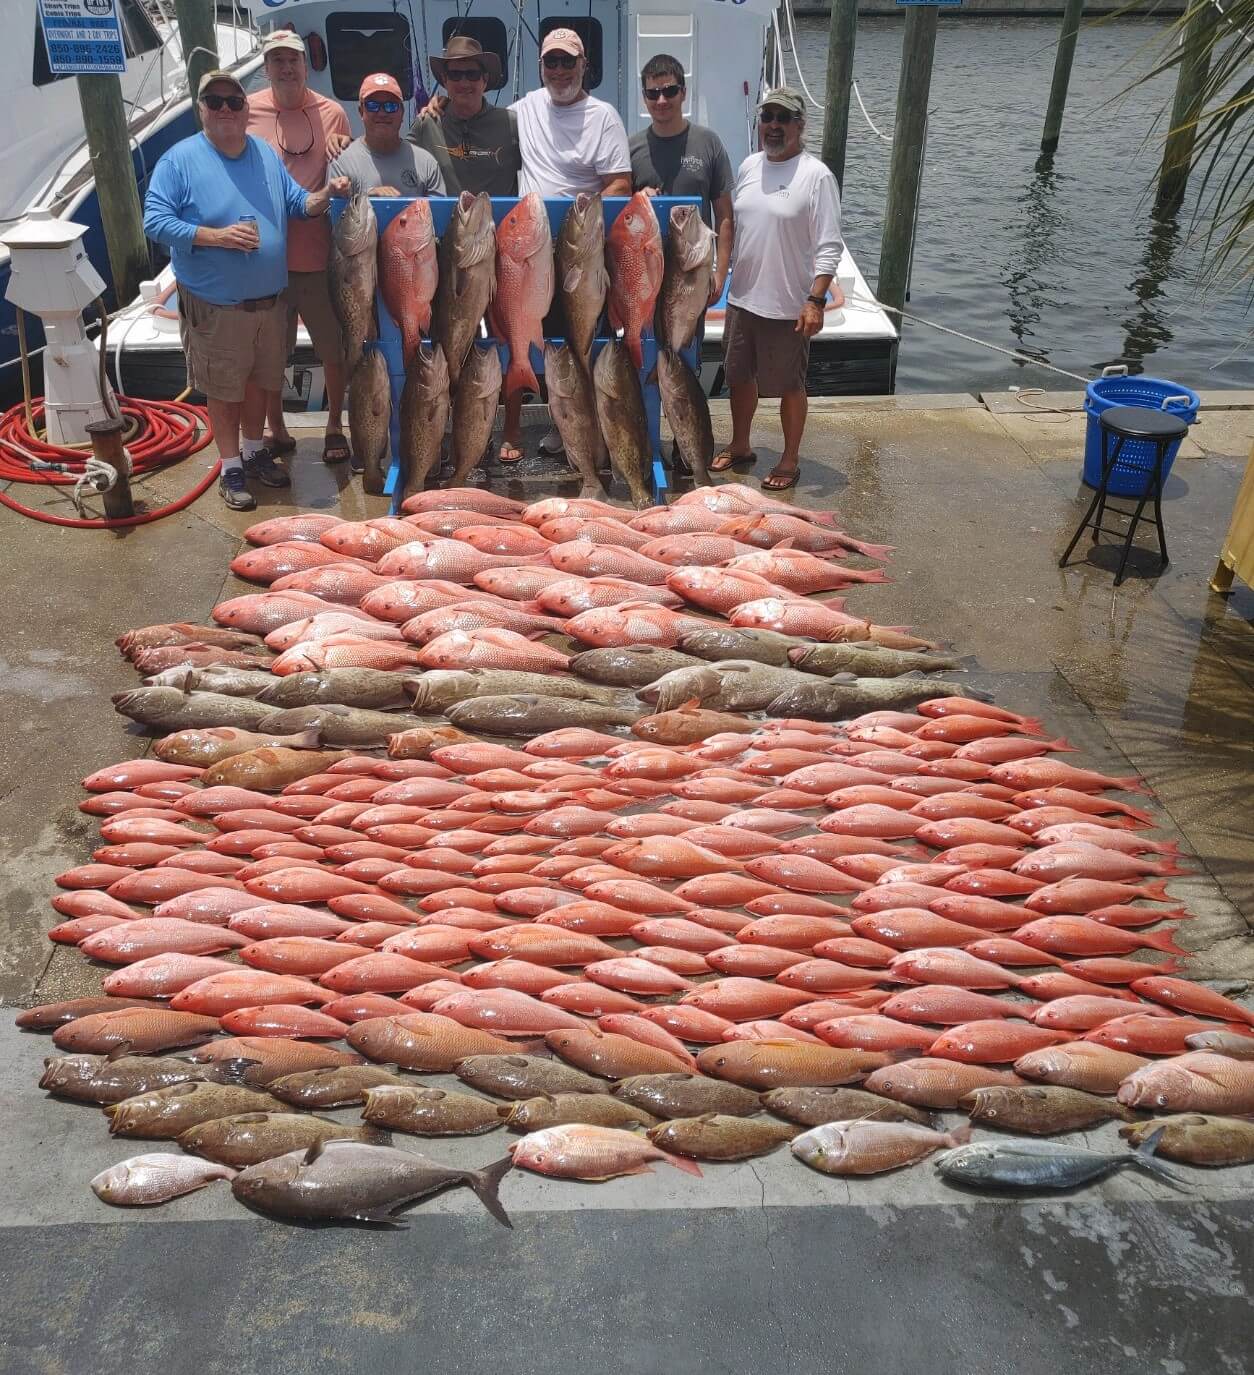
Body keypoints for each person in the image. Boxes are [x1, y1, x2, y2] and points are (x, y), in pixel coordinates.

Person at [416, 29, 630, 463]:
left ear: (583, 64)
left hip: (572, 251)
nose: (559, 70)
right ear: (540, 68)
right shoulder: (521, 112)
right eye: (551, 62)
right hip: (508, 250)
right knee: (508, 335)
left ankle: (579, 428)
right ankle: (468, 429)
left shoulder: (603, 115)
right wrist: (432, 107)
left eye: (567, 61)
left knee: (573, 344)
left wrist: (581, 221)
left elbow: (621, 183)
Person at [143, 71, 349, 510]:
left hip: (270, 303)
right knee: (224, 390)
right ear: (200, 109)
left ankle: (254, 452)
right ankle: (230, 464)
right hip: (218, 306)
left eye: (233, 102)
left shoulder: (263, 154)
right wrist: (216, 236)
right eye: (213, 101)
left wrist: (329, 192)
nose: (224, 110)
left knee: (261, 383)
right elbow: (155, 223)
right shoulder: (178, 160)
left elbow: (299, 204)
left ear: (244, 108)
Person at [715, 88, 843, 492]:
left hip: (788, 303)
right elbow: (736, 227)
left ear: (799, 126)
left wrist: (815, 300)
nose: (773, 126)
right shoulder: (750, 165)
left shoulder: (816, 175)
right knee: (738, 376)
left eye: (783, 119)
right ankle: (740, 444)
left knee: (790, 384)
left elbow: (829, 244)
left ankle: (790, 458)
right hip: (743, 297)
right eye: (767, 117)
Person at [247, 30, 353, 467]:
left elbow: (348, 172)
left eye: (293, 60)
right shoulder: (246, 110)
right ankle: (277, 428)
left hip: (318, 257)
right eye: (278, 61)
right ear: (266, 67)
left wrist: (343, 149)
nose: (286, 68)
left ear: (305, 65)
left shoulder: (332, 112)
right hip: (265, 260)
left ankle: (333, 425)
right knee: (272, 353)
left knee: (333, 347)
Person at [629, 53, 733, 306]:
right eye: (653, 93)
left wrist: (719, 274)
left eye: (669, 91)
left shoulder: (709, 143)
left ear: (683, 93)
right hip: (646, 274)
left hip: (692, 274)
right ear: (644, 98)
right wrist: (636, 199)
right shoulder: (631, 148)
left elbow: (724, 216)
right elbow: (622, 218)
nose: (661, 100)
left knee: (687, 344)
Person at [407, 37, 521, 197]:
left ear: (485, 80)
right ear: (445, 80)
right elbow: (398, 161)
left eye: (472, 74)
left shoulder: (512, 123)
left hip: (499, 221)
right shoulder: (428, 123)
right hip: (446, 222)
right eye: (455, 75)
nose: (464, 82)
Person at [330, 73, 445, 197]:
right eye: (372, 106)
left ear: (402, 113)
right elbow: (337, 214)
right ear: (361, 111)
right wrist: (367, 199)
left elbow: (438, 213)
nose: (382, 113)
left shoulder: (427, 163)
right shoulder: (342, 162)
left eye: (391, 106)